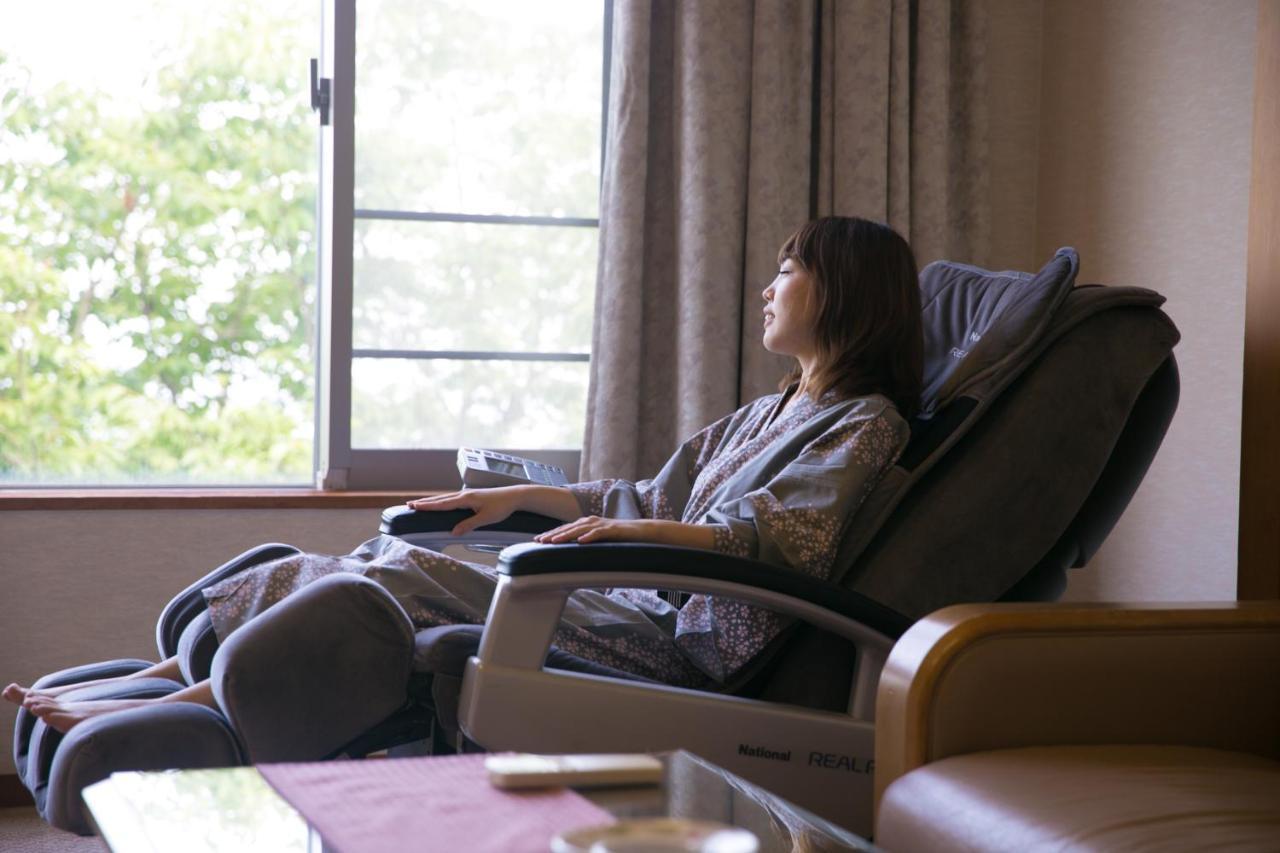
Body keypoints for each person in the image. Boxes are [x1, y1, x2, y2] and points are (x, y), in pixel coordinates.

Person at [4, 216, 923, 734]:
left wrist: (628, 536)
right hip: (635, 593)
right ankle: (164, 677)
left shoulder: (866, 423)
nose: (769, 286)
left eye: (789, 268)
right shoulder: (771, 410)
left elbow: (778, 541)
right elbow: (643, 493)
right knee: (398, 541)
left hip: (682, 640)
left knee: (413, 574)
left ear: (843, 291)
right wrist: (513, 499)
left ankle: (193, 696)